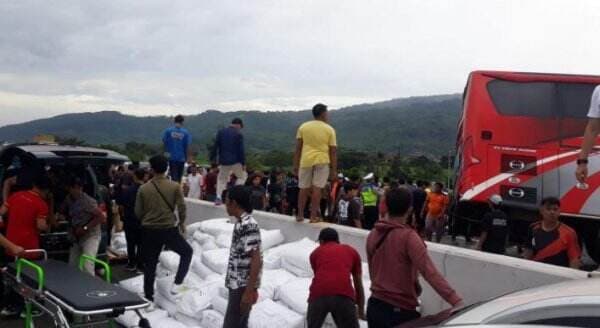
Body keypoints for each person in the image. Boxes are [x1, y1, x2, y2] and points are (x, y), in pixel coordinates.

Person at [366, 187, 463, 327]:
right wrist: (456, 301)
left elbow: (372, 273)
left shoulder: (373, 234)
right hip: (399, 312)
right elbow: (430, 273)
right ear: (410, 209)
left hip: (375, 306)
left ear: (386, 206)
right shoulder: (409, 237)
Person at [135, 155, 193, 309]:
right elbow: (182, 207)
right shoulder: (175, 186)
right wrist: (181, 223)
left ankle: (148, 299)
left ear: (152, 169)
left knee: (150, 265)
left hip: (149, 231)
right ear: (167, 168)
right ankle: (177, 284)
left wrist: (148, 219)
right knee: (187, 252)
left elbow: (138, 212)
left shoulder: (143, 188)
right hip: (168, 229)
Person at [0, 175, 51, 317]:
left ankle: (12, 306)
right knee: (29, 279)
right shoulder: (41, 204)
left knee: (12, 276)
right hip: (29, 248)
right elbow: (41, 226)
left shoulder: (15, 196)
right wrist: (50, 223)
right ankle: (29, 306)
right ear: (45, 190)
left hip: (10, 244)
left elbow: (1, 212)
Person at [307, 228, 365, 328]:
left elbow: (322, 279)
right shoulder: (352, 251)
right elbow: (358, 285)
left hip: (318, 296)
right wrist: (360, 312)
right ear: (338, 240)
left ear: (321, 241)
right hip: (344, 295)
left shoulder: (314, 254)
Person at [223, 185, 262, 328]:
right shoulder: (240, 223)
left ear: (234, 203)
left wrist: (249, 291)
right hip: (237, 285)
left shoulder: (249, 225)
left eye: (226, 201)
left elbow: (256, 259)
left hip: (242, 286)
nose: (225, 205)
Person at [294, 103, 338, 223]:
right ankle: (313, 216)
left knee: (303, 188)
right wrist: (334, 170)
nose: (328, 115)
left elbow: (298, 148)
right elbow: (333, 151)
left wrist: (295, 165)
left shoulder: (303, 127)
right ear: (323, 114)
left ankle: (300, 215)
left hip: (306, 160)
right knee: (317, 188)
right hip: (322, 160)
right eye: (327, 113)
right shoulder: (329, 129)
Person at [61, 176, 104, 276]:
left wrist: (85, 228)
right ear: (70, 188)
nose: (78, 190)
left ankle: (89, 287)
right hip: (76, 236)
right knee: (73, 265)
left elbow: (101, 217)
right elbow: (63, 210)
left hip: (90, 235)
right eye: (75, 188)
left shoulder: (88, 201)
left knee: (87, 265)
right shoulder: (68, 199)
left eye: (79, 188)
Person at [523, 197, 581, 269]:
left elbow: (574, 259)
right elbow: (528, 251)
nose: (552, 212)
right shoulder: (533, 228)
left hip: (558, 273)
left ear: (559, 212)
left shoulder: (569, 233)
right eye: (548, 209)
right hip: (537, 271)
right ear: (541, 211)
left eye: (555, 209)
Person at [211, 118, 247, 205]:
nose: (240, 129)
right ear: (238, 125)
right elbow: (241, 150)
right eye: (240, 127)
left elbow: (215, 146)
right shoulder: (238, 134)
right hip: (236, 161)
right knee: (243, 176)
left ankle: (218, 197)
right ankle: (233, 193)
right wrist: (243, 163)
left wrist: (213, 158)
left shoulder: (221, 132)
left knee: (221, 179)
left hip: (224, 161)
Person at [121, 168, 146, 272]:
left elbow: (121, 206)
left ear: (135, 176)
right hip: (142, 221)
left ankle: (131, 264)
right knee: (141, 244)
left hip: (129, 220)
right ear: (144, 176)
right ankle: (140, 265)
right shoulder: (146, 190)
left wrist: (123, 217)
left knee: (130, 243)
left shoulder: (127, 190)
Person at [162, 114, 192, 183]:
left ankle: (174, 190)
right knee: (179, 177)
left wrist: (165, 155)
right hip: (181, 158)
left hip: (171, 157)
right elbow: (187, 146)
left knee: (173, 176)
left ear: (174, 121)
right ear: (182, 122)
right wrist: (187, 157)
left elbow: (164, 143)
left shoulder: (168, 131)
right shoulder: (185, 132)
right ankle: (177, 190)